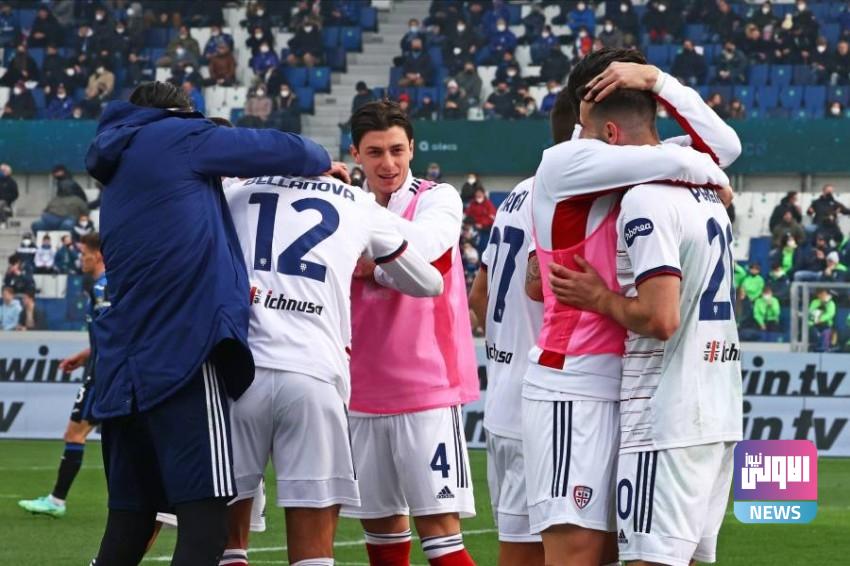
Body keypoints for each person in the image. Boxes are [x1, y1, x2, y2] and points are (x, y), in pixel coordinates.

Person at [83, 81, 343, 566]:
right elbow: (280, 148)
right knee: (206, 526)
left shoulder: (118, 159)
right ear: (180, 113)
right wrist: (322, 159)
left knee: (130, 523)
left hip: (123, 366)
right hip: (181, 353)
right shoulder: (178, 135)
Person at [523, 48, 738, 566]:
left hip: (636, 385)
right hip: (574, 383)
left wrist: (657, 79)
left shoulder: (639, 168)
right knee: (580, 553)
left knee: (624, 551)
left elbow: (725, 147)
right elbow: (695, 159)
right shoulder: (566, 160)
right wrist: (711, 177)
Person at [223, 169, 443, 566]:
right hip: (315, 376)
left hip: (239, 374)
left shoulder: (236, 191)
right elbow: (429, 282)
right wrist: (373, 267)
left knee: (226, 542)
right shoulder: (355, 200)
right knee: (314, 551)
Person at [342, 100, 480, 566]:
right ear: (355, 154)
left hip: (427, 389)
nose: (388, 163)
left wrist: (368, 256)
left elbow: (427, 250)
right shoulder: (346, 203)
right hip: (360, 391)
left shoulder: (439, 198)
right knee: (381, 535)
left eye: (397, 150)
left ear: (413, 149)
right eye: (375, 152)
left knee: (441, 536)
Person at [465, 87, 579, 566]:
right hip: (545, 402)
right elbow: (539, 285)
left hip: (502, 400)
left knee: (519, 545)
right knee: (566, 548)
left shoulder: (516, 193)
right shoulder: (563, 194)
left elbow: (478, 296)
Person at [18, 233, 107, 517]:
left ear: (98, 255)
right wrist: (84, 355)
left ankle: (57, 501)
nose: (81, 259)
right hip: (103, 370)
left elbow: (117, 336)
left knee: (75, 433)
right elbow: (106, 337)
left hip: (103, 375)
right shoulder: (101, 287)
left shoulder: (104, 287)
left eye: (84, 254)